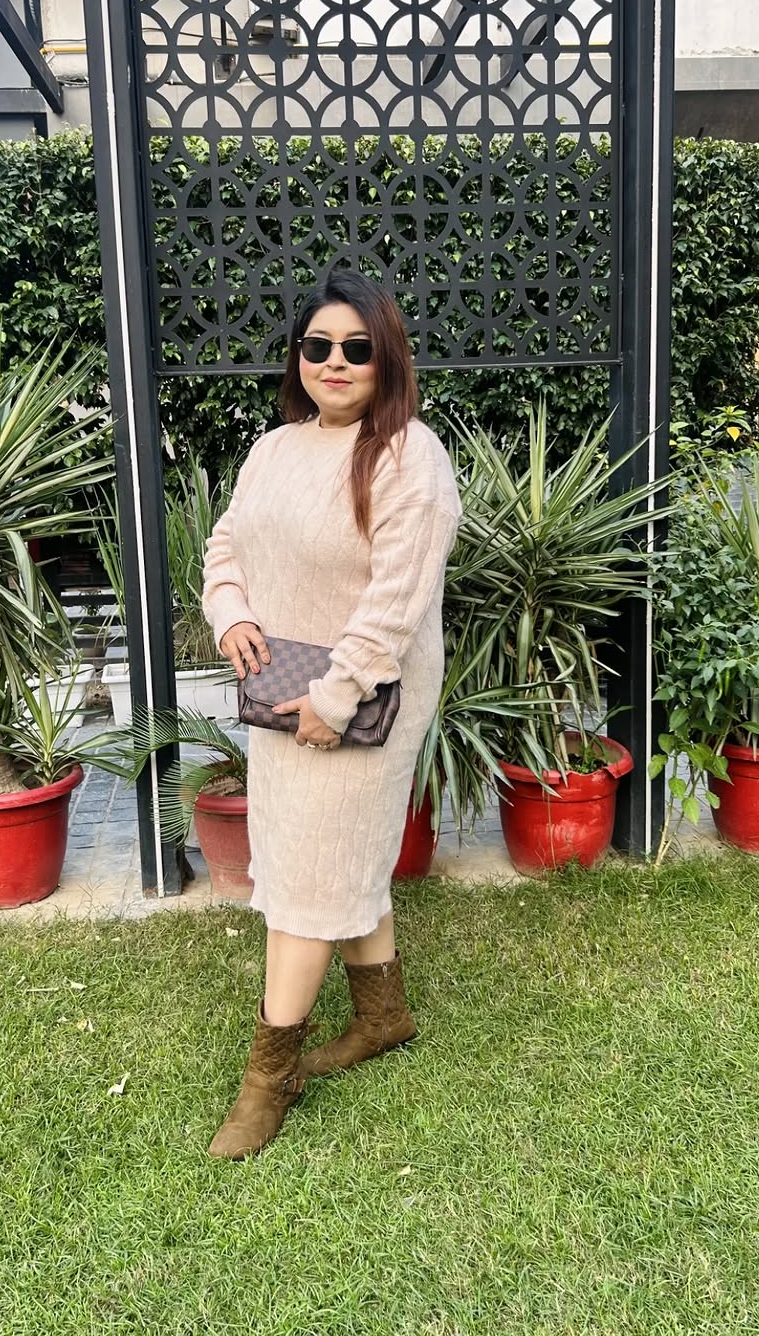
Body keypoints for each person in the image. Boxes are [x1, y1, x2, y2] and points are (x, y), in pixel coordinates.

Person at [200, 267, 461, 1159]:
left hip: (366, 696)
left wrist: (336, 696)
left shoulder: (410, 457)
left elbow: (397, 599)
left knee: (310, 879)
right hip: (284, 691)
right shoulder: (274, 450)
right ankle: (383, 1015)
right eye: (319, 346)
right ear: (298, 356)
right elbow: (227, 542)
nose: (335, 362)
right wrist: (231, 612)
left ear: (388, 358)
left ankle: (268, 1077)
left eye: (357, 347)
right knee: (326, 855)